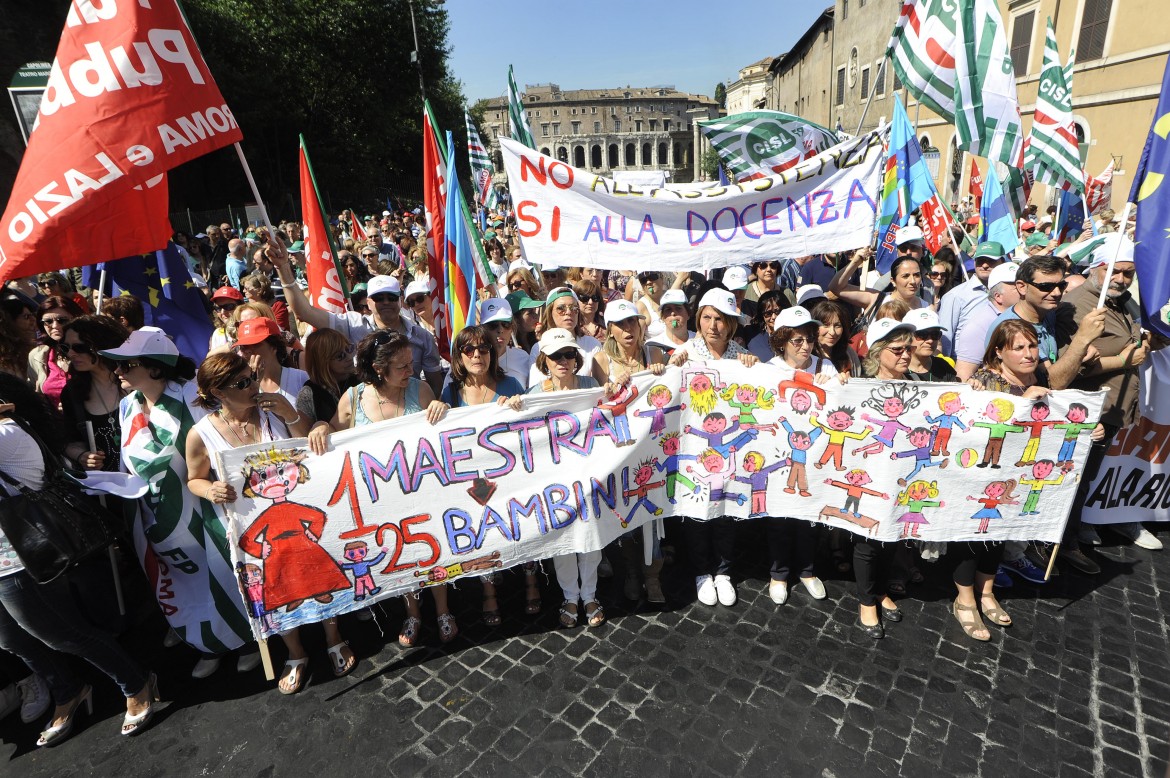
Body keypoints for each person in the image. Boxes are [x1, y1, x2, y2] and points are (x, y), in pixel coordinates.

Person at [0, 373, 160, 745]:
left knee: (62, 634)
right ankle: (67, 690)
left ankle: (136, 681)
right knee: (11, 640)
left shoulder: (6, 433)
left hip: (20, 555)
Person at [99, 328, 256, 680]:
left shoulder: (189, 396)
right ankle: (206, 644)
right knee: (186, 584)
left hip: (204, 508)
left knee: (224, 575)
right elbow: (129, 462)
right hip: (158, 516)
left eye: (128, 364)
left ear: (155, 367)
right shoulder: (127, 406)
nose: (118, 371)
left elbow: (222, 438)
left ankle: (246, 640)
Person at [186, 353, 342, 694]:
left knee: (320, 576)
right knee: (275, 589)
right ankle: (296, 653)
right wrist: (210, 489)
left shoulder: (274, 409)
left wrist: (291, 414)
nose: (253, 386)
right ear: (219, 392)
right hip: (251, 527)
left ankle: (334, 637)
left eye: (252, 377)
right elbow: (193, 479)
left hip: (296, 514)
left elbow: (306, 446)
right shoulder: (201, 435)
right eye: (242, 383)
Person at [307, 331, 456, 646]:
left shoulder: (421, 390)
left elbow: (443, 434)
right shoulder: (354, 398)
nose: (410, 371)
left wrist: (441, 410)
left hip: (421, 491)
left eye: (411, 364)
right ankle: (413, 612)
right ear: (378, 367)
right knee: (400, 555)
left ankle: (444, 610)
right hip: (380, 499)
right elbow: (333, 430)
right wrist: (321, 426)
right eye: (401, 366)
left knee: (433, 550)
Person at [1058, 236, 1163, 565]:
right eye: (1114, 271)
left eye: (1128, 273)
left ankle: (1074, 533)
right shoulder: (1077, 305)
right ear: (1098, 268)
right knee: (1073, 479)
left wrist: (1149, 345)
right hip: (1089, 408)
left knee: (1087, 477)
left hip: (1115, 407)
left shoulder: (1121, 301)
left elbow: (1133, 344)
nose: (1121, 279)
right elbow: (1070, 366)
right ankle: (1066, 545)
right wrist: (1125, 359)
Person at [668, 289, 759, 607]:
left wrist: (753, 366)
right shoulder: (685, 352)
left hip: (728, 450)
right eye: (707, 317)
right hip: (695, 447)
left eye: (720, 318)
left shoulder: (740, 354)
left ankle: (723, 571)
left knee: (724, 512)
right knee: (697, 510)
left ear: (731, 324)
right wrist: (672, 368)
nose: (713, 325)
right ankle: (702, 571)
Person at [968, 319, 1075, 586]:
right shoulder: (985, 382)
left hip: (1025, 464)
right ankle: (985, 566)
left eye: (1033, 345)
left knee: (1019, 510)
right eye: (1018, 348)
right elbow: (977, 431)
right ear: (999, 352)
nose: (1028, 354)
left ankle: (1012, 555)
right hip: (990, 470)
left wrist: (1086, 429)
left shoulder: (1040, 375)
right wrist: (1024, 402)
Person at [270, 236, 443, 394]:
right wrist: (283, 267)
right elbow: (305, 312)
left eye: (391, 297)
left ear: (400, 300)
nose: (385, 302)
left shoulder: (422, 337)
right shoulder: (353, 325)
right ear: (368, 302)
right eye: (378, 297)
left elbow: (436, 386)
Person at [440, 326, 532, 625]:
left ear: (493, 353)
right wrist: (437, 408)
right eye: (469, 350)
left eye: (483, 349)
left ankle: (532, 583)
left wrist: (520, 407)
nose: (477, 355)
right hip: (474, 478)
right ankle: (489, 590)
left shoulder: (511, 384)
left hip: (511, 473)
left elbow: (532, 429)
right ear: (459, 356)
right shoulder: (451, 391)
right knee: (483, 531)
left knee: (526, 523)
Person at [526, 328, 609, 624]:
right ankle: (570, 597)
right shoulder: (533, 396)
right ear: (544, 361)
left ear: (576, 357)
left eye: (569, 354)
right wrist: (508, 408)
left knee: (591, 537)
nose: (563, 360)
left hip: (589, 474)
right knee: (563, 540)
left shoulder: (591, 385)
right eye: (555, 355)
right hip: (555, 480)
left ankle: (590, 596)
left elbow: (615, 404)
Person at [764, 306, 843, 606]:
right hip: (783, 457)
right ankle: (779, 573)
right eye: (797, 340)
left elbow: (839, 406)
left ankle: (808, 570)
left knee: (810, 519)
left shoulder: (825, 367)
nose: (805, 346)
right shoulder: (769, 370)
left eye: (809, 338)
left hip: (815, 458)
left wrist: (839, 386)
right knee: (781, 520)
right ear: (782, 341)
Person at [854, 318, 917, 638]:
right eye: (898, 349)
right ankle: (867, 601)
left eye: (909, 348)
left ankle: (880, 590)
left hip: (901, 476)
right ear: (879, 352)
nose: (906, 355)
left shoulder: (920, 385)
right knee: (868, 538)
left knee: (893, 535)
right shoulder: (860, 387)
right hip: (870, 474)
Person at [990, 254, 1107, 392]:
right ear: (1022, 287)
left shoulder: (1049, 311)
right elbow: (1051, 383)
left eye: (1061, 285)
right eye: (1046, 286)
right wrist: (1082, 340)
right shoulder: (1011, 328)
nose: (1057, 293)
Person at [59, 316, 132, 474]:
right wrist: (82, 456)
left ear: (102, 345)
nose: (71, 354)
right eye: (66, 347)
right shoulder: (72, 392)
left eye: (79, 347)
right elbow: (69, 440)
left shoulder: (135, 379)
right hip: (107, 489)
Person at [938, 241, 1008, 357]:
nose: (985, 265)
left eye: (991, 261)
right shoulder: (955, 296)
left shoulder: (1012, 294)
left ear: (1003, 262)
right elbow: (945, 336)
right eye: (980, 261)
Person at [953, 263, 1019, 380]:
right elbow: (963, 376)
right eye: (1015, 286)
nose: (1023, 289)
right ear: (998, 296)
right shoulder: (979, 325)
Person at [528, 287, 601, 385]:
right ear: (550, 313)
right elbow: (536, 387)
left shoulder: (592, 345)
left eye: (574, 308)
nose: (568, 312)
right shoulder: (538, 348)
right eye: (561, 308)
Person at [232, 318, 309, 406]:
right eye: (243, 346)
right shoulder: (240, 386)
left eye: (255, 344)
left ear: (274, 346)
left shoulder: (301, 379)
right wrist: (254, 381)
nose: (248, 350)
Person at [29, 296, 85, 409]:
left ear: (77, 319)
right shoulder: (37, 356)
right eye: (48, 321)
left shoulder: (90, 351)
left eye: (62, 320)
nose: (55, 326)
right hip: (56, 424)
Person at [295, 328, 358, 425]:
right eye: (340, 356)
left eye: (348, 349)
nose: (349, 357)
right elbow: (304, 435)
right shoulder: (309, 394)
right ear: (322, 362)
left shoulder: (363, 379)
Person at [479, 298, 531, 388]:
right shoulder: (469, 358)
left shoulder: (523, 357)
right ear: (482, 328)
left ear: (512, 327)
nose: (500, 330)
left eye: (506, 324)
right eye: (493, 325)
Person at [902, 308, 957, 382]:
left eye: (935, 334)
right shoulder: (896, 370)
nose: (930, 340)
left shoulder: (944, 367)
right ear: (907, 337)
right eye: (922, 334)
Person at [810, 299, 862, 376]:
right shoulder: (806, 354)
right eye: (826, 325)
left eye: (837, 326)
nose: (832, 332)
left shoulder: (849, 353)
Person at [645, 289, 693, 363]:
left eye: (678, 308)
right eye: (668, 309)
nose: (673, 313)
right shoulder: (651, 346)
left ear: (688, 314)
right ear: (662, 317)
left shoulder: (699, 341)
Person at [744, 290, 788, 362]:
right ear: (762, 314)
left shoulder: (794, 335)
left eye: (778, 312)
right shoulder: (750, 333)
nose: (774, 317)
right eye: (768, 313)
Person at [209, 287, 244, 351]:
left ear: (241, 306)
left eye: (229, 307)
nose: (223, 312)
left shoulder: (251, 327)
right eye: (218, 308)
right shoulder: (217, 334)